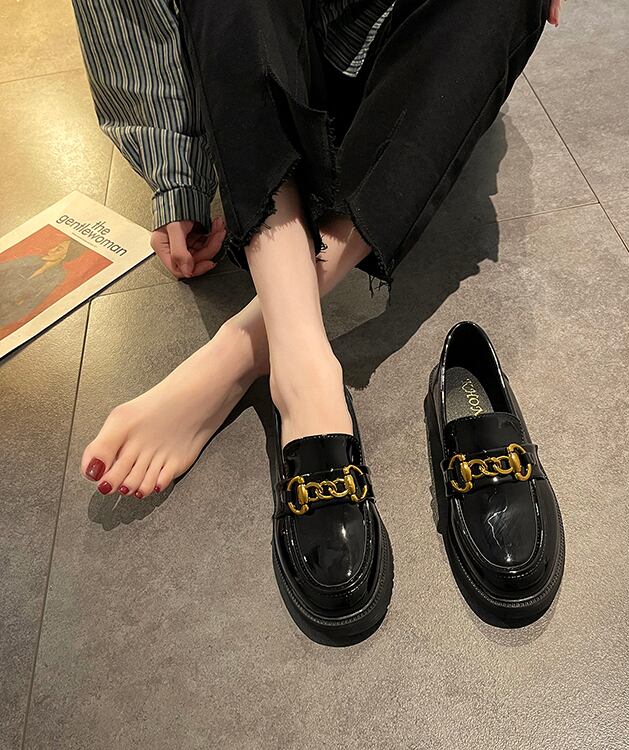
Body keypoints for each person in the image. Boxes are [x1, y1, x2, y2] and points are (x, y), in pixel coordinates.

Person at [74, 0, 562, 499]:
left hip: (404, 68)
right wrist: (177, 174)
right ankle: (300, 358)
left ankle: (250, 348)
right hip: (262, 73)